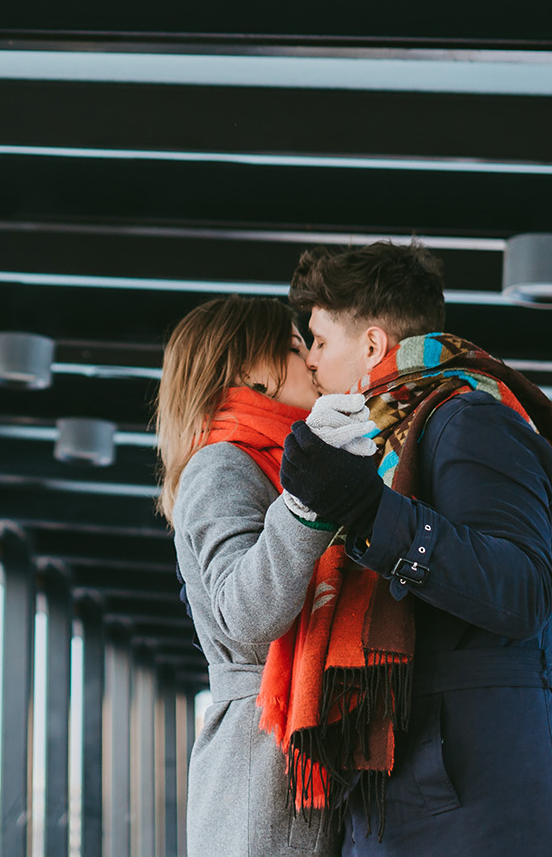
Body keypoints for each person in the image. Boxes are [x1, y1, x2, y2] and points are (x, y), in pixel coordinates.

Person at [274, 241, 552, 856]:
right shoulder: (398, 440)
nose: (314, 366)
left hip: (479, 804)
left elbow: (522, 591)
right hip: (424, 798)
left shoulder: (468, 421)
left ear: (373, 346)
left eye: (321, 342)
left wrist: (369, 512)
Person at [156, 296, 338, 857]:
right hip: (262, 767)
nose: (310, 360)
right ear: (241, 370)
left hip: (285, 757)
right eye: (290, 347)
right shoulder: (221, 462)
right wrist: (311, 497)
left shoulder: (277, 454)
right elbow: (247, 615)